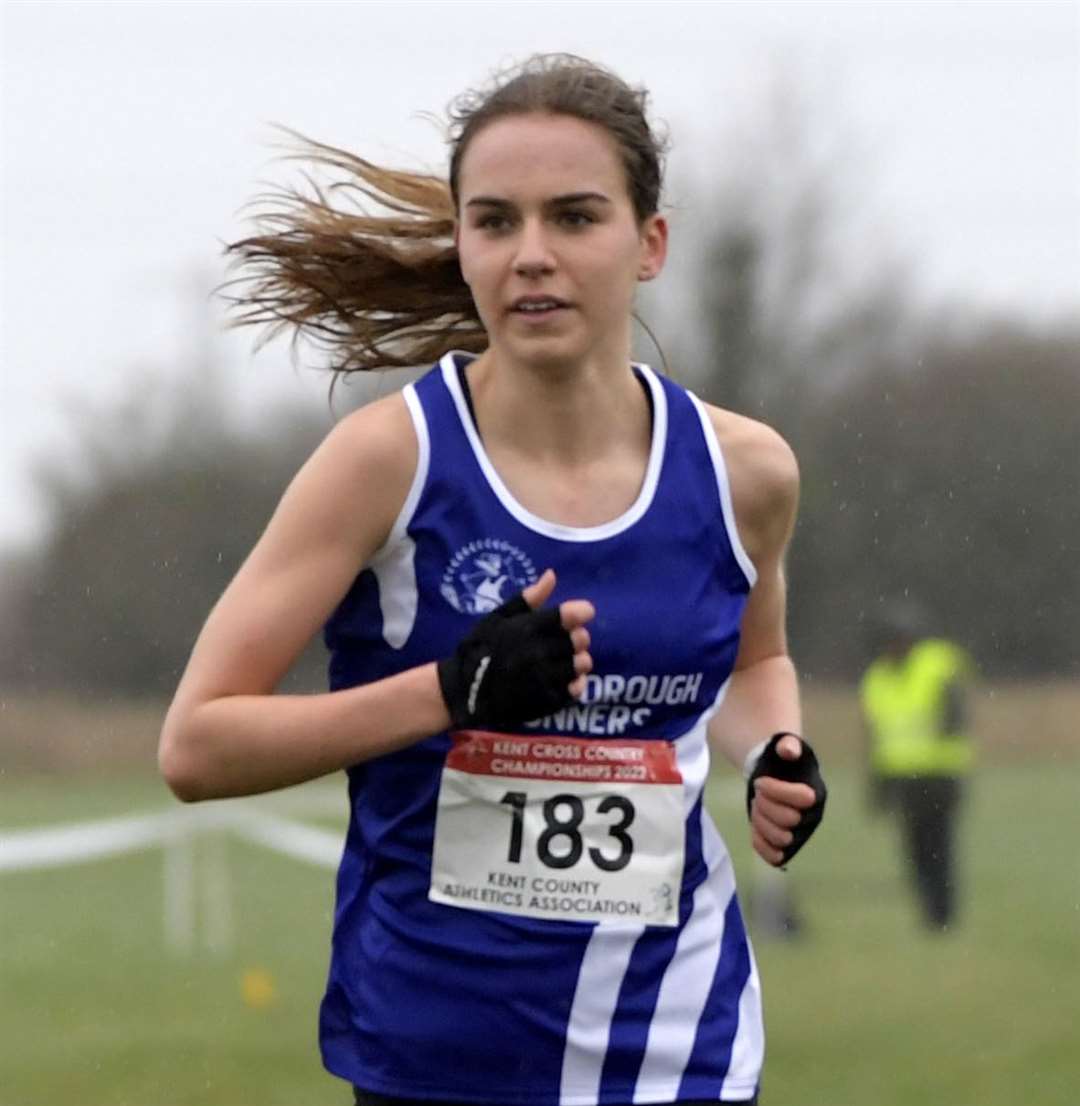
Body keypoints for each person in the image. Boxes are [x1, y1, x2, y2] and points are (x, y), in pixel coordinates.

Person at [159, 54, 827, 1106]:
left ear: (650, 243)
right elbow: (196, 744)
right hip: (438, 1052)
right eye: (496, 221)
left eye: (574, 217)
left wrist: (777, 753)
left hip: (678, 1039)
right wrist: (445, 691)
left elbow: (758, 659)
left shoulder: (744, 471)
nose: (532, 255)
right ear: (462, 243)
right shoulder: (388, 461)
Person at [860, 601, 975, 931]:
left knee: (939, 846)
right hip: (902, 776)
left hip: (939, 772)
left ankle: (943, 913)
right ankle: (929, 911)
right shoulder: (877, 678)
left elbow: (956, 713)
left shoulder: (938, 664)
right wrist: (877, 785)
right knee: (914, 849)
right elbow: (875, 735)